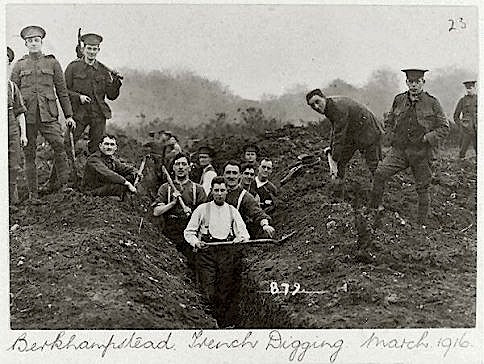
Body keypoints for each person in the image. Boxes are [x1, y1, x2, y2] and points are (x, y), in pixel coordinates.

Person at [370, 69, 449, 227]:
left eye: (417, 82)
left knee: (422, 188)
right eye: (411, 82)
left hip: (421, 152)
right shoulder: (399, 100)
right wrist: (390, 135)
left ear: (423, 83)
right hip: (399, 151)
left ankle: (421, 225)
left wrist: (427, 137)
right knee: (379, 173)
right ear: (406, 83)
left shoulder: (432, 102)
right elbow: (390, 119)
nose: (414, 85)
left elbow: (444, 127)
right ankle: (374, 210)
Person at [11, 26, 76, 199]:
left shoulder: (52, 63)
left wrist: (69, 115)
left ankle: (63, 186)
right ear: (26, 44)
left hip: (49, 115)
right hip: (27, 116)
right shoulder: (19, 65)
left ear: (41, 42)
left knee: (60, 146)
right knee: (29, 153)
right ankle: (33, 194)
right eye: (30, 41)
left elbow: (62, 91)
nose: (33, 44)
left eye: (36, 40)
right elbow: (12, 94)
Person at [184, 176, 249, 327]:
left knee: (225, 291)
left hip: (227, 255)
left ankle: (224, 323)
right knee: (208, 290)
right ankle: (207, 322)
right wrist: (196, 242)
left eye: (222, 190)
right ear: (212, 191)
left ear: (227, 192)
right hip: (206, 255)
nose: (219, 193)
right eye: (216, 190)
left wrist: (239, 239)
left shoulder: (232, 211)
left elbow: (244, 233)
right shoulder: (202, 209)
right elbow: (189, 232)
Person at [306, 88, 384, 184]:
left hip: (369, 131)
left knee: (374, 164)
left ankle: (380, 192)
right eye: (312, 106)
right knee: (341, 161)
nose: (316, 107)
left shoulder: (337, 108)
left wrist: (334, 158)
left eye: (317, 102)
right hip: (354, 133)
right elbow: (335, 129)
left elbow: (339, 134)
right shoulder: (329, 107)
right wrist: (332, 149)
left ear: (323, 97)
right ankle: (338, 190)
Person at [153, 153, 207, 261]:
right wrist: (172, 203)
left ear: (189, 167)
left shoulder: (198, 189)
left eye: (184, 164)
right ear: (173, 167)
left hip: (190, 231)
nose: (181, 167)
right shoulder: (165, 188)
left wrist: (192, 212)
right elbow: (156, 212)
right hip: (170, 232)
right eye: (177, 164)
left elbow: (205, 216)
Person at [222, 160, 275, 238]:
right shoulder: (216, 192)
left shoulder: (245, 196)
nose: (231, 176)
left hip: (234, 237)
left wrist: (265, 225)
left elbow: (257, 213)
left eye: (234, 173)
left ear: (240, 175)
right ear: (223, 174)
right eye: (228, 173)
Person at [7, 46, 28, 207]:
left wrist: (23, 135)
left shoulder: (12, 87)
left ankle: (11, 201)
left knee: (14, 165)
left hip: (12, 127)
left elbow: (20, 112)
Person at [453, 80, 477, 159]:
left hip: (477, 129)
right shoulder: (462, 101)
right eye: (467, 88)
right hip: (466, 130)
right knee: (462, 151)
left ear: (474, 88)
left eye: (470, 88)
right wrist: (461, 126)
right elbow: (456, 116)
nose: (468, 90)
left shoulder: (479, 99)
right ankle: (461, 167)